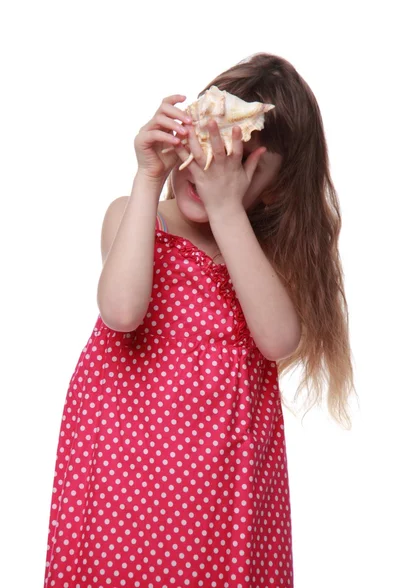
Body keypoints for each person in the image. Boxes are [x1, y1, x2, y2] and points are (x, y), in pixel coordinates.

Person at [43, 52, 357, 587]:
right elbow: (121, 312)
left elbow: (279, 338)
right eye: (203, 145)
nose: (210, 169)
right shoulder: (133, 217)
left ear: (274, 186)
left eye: (235, 164)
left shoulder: (260, 259)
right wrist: (148, 178)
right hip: (122, 473)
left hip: (222, 485)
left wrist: (228, 208)